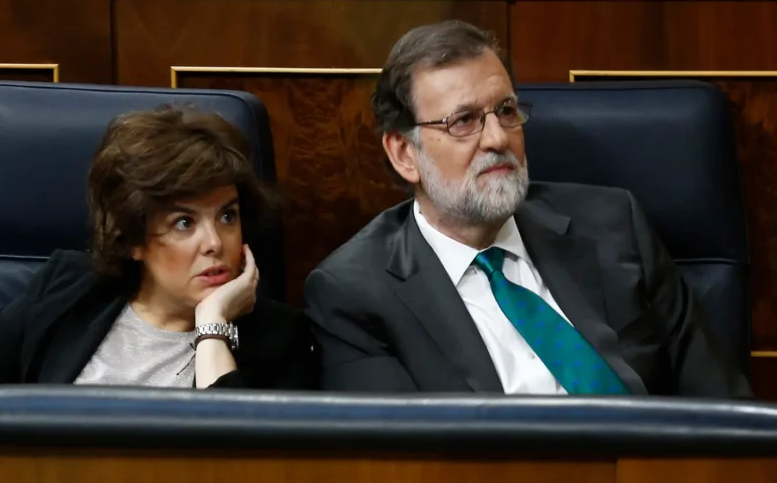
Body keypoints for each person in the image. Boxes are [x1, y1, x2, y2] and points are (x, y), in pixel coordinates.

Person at [303, 20, 752, 397]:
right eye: (464, 121)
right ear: (404, 154)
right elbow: (399, 463)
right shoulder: (355, 295)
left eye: (506, 111)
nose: (498, 138)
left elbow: (722, 405)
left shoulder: (614, 225)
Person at [0, 105, 319, 390]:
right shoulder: (64, 291)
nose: (215, 243)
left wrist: (213, 328)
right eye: (184, 223)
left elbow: (237, 461)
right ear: (133, 240)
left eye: (227, 216)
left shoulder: (280, 340)